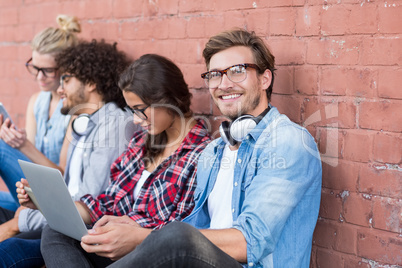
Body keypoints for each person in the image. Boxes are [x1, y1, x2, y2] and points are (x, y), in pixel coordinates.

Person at [69, 28, 321, 268]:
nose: (223, 84)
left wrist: (144, 238)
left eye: (237, 71)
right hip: (194, 260)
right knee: (68, 238)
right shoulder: (214, 151)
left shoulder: (287, 142)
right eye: (215, 75)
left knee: (175, 236)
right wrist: (136, 230)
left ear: (265, 78)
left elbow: (249, 242)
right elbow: (192, 225)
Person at [31, 54, 211, 267]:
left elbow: (182, 233)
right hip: (115, 242)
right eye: (132, 110)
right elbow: (109, 202)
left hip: (152, 252)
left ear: (168, 100)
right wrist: (45, 202)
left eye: (140, 110)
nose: (135, 120)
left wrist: (133, 231)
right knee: (55, 231)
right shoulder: (141, 141)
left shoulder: (200, 154)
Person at [0, 39, 137, 267]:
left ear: (91, 83)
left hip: (77, 232)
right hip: (58, 220)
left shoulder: (114, 126)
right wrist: (36, 199)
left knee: (7, 251)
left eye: (67, 79)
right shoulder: (83, 121)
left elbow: (87, 206)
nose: (60, 88)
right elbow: (68, 189)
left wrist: (19, 222)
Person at [0, 14, 80, 212]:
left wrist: (22, 145)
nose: (39, 77)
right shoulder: (37, 101)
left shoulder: (75, 110)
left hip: (57, 195)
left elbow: (62, 176)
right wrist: (13, 139)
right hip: (30, 191)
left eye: (47, 70)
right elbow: (29, 166)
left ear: (66, 68)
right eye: (35, 68)